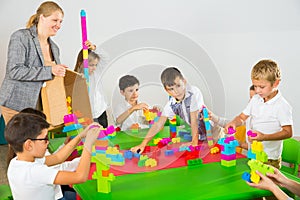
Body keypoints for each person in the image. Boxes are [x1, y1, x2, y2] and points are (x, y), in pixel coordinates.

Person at [5, 112, 102, 200]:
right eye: (44, 139)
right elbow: (80, 177)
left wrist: (80, 136)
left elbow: (58, 157)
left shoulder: (17, 162)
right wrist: (88, 145)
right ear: (29, 145)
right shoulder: (36, 172)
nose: (47, 143)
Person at [0, 1, 67, 125]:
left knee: (36, 143)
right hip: (16, 104)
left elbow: (51, 77)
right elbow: (14, 71)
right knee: (22, 143)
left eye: (60, 21)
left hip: (40, 107)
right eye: (55, 20)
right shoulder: (21, 37)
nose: (58, 25)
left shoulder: (55, 48)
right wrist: (50, 70)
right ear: (42, 17)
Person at [225, 59, 293, 169]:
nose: (257, 90)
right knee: (252, 183)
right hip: (253, 153)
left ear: (276, 83)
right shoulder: (256, 99)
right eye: (255, 86)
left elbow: (288, 132)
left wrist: (264, 137)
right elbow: (242, 117)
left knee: (267, 184)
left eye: (261, 87)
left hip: (269, 158)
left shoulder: (282, 106)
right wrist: (234, 122)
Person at [131, 67, 206, 153]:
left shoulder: (193, 92)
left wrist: (194, 142)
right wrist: (143, 144)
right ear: (166, 90)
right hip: (201, 137)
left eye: (178, 86)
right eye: (171, 89)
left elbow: (194, 118)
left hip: (213, 132)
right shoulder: (172, 104)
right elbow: (158, 124)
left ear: (184, 81)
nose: (176, 91)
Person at [74, 41, 108, 128]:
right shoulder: (76, 78)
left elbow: (106, 58)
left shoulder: (97, 73)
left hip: (100, 112)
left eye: (96, 65)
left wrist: (94, 48)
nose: (94, 68)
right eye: (91, 65)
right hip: (86, 114)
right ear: (80, 64)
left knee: (103, 136)